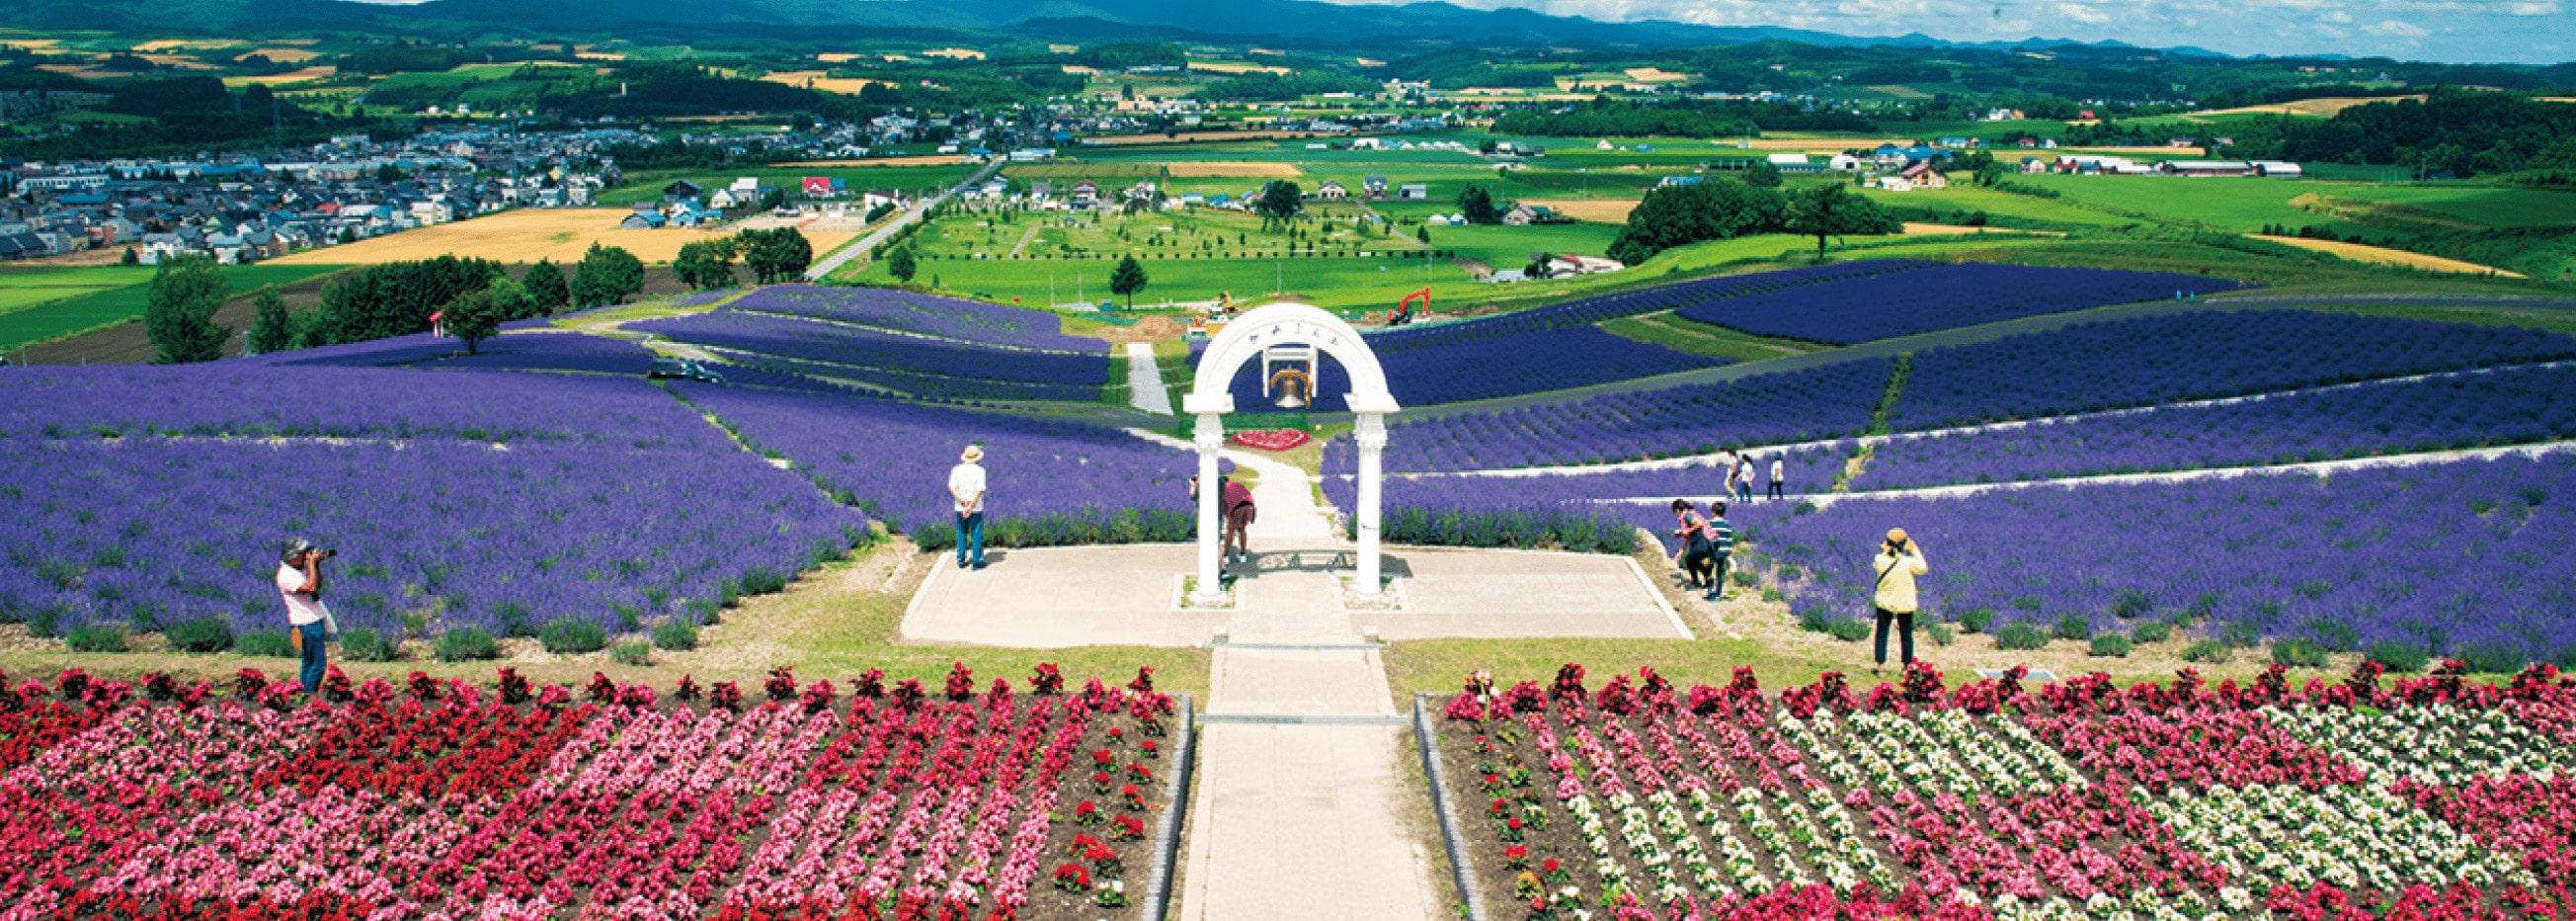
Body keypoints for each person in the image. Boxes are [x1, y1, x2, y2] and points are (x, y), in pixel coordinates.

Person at [276, 538, 333, 695]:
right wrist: (312, 564)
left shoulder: (298, 570)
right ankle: (309, 695)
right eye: (302, 554)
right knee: (318, 665)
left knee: (309, 662)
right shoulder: (285, 576)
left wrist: (317, 565)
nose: (306, 556)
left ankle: (302, 693)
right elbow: (310, 587)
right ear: (291, 557)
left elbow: (318, 585)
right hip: (306, 623)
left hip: (313, 619)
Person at [1872, 528, 1930, 675]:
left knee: (1882, 632)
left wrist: (1887, 549)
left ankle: (1880, 666)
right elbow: (1923, 568)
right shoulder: (1909, 563)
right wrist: (1914, 549)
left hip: (1885, 601)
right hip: (1905, 603)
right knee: (1906, 634)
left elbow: (1882, 558)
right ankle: (1906, 667)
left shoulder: (1880, 559)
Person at [948, 445, 988, 570]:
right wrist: (971, 505)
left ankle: (960, 560)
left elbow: (951, 488)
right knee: (976, 533)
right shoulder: (980, 471)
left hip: (960, 507)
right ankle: (977, 562)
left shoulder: (956, 470)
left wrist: (962, 501)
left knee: (961, 532)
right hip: (975, 508)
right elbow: (980, 489)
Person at [1669, 500, 1716, 591]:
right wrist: (1681, 551)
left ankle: (1700, 579)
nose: (1676, 514)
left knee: (1693, 560)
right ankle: (1705, 579)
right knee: (1693, 560)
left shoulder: (1687, 516)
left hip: (1701, 542)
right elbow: (1686, 536)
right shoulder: (1688, 515)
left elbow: (1699, 524)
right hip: (1703, 542)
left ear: (1678, 510)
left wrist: (1686, 531)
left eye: (1675, 512)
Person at [1704, 501, 1734, 602]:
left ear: (1713, 512)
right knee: (1720, 572)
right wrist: (1730, 551)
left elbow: (1706, 538)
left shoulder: (1709, 523)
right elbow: (1729, 539)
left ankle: (1710, 590)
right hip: (1723, 553)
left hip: (1711, 553)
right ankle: (1718, 594)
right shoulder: (1727, 524)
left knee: (1707, 570)